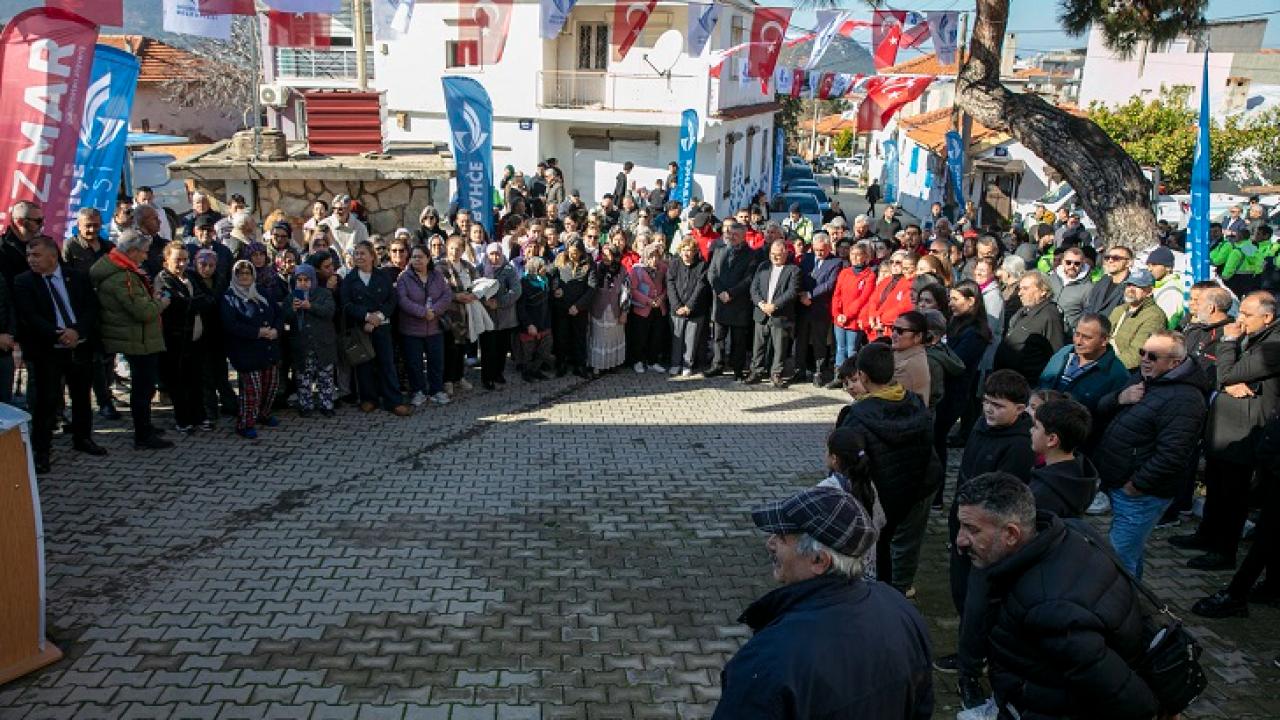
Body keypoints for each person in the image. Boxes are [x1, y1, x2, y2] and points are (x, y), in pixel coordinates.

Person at [712, 485, 934, 720]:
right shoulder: (901, 610)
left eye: (782, 537)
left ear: (819, 561)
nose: (770, 543)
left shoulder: (767, 661)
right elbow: (921, 707)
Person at [953, 473, 1160, 720]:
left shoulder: (1048, 608)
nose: (960, 541)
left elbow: (1118, 690)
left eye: (971, 529)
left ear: (1011, 534)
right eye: (961, 526)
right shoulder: (1072, 532)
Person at [1092, 330, 1208, 577]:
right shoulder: (1143, 378)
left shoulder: (1185, 399)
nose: (1144, 359)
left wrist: (1136, 485)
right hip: (1121, 482)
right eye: (1143, 352)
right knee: (1128, 554)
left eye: (1153, 356)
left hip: (1142, 493)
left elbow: (1173, 454)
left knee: (1117, 558)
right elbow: (1101, 409)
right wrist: (1119, 398)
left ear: (1175, 363)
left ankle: (1124, 609)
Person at [1180, 291, 1279, 570]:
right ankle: (1207, 535)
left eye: (1247, 315)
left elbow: (1226, 374)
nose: (1241, 320)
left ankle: (1224, 551)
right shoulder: (1258, 336)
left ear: (1267, 317)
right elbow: (1227, 376)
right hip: (1227, 423)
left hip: (1246, 428)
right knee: (1216, 485)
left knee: (1233, 495)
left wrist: (1229, 342)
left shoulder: (1272, 344)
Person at [838, 342, 941, 594]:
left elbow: (850, 466)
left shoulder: (856, 416)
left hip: (883, 498)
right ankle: (900, 592)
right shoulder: (915, 403)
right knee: (905, 547)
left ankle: (885, 598)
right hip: (919, 487)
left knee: (881, 551)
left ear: (862, 375)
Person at [12, 236, 106, 472]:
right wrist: (59, 334)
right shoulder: (24, 282)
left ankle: (82, 438)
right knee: (46, 401)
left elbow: (90, 307)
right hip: (47, 350)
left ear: (53, 256)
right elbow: (30, 316)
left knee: (82, 395)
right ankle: (41, 450)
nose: (31, 260)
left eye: (37, 255)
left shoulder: (76, 277)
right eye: (29, 255)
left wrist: (76, 331)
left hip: (79, 346)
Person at [89, 230, 174, 450]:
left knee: (145, 387)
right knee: (142, 389)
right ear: (133, 251)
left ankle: (145, 426)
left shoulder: (125, 271)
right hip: (136, 338)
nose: (146, 256)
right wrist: (162, 302)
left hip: (139, 336)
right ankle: (143, 434)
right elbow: (142, 311)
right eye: (144, 252)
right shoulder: (120, 277)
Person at [62, 208, 120, 419]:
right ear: (79, 225)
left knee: (107, 357)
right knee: (92, 360)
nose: (92, 229)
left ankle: (107, 395)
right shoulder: (71, 246)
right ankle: (100, 401)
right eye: (88, 225)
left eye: (96, 225)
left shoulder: (108, 247)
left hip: (107, 308)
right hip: (83, 311)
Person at [342, 240, 411, 415]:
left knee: (387, 363)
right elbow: (346, 304)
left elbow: (391, 300)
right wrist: (366, 316)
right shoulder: (350, 280)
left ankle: (394, 401)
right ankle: (368, 399)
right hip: (361, 328)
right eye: (356, 254)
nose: (358, 257)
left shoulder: (383, 276)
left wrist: (378, 317)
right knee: (364, 364)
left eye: (362, 253)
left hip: (382, 326)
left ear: (372, 256)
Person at [221, 260, 283, 438]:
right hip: (246, 351)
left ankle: (263, 414)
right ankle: (245, 423)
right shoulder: (229, 297)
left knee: (270, 386)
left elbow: (278, 314)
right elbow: (231, 325)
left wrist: (275, 330)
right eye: (240, 274)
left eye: (248, 273)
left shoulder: (261, 292)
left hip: (269, 348)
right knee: (252, 390)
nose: (244, 277)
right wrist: (257, 332)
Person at [155, 241, 209, 434]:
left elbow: (206, 299)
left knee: (195, 379)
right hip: (175, 338)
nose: (182, 264)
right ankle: (182, 418)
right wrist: (191, 303)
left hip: (195, 336)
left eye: (185, 260)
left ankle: (199, 416)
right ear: (166, 261)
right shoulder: (163, 279)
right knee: (177, 382)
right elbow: (178, 303)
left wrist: (192, 303)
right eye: (177, 260)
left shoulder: (191, 277)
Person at [1038, 313, 1131, 415]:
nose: (1078, 341)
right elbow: (1041, 385)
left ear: (1104, 340)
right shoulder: (1063, 353)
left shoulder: (1118, 375)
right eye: (1077, 334)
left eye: (1086, 337)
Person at [396, 245, 453, 405]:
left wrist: (434, 311)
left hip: (434, 327)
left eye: (420, 256)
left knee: (436, 362)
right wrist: (422, 312)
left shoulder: (438, 276)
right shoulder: (404, 278)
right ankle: (418, 391)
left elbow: (447, 295)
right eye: (414, 257)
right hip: (412, 329)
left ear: (428, 258)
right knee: (415, 363)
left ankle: (436, 390)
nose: (417, 260)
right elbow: (402, 300)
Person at [282, 263, 337, 417]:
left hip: (322, 344)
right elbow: (284, 317)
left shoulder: (323, 294)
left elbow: (329, 311)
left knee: (325, 376)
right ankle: (305, 405)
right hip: (302, 345)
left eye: (307, 280)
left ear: (313, 280)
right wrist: (292, 310)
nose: (303, 283)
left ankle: (326, 404)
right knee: (303, 377)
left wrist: (310, 306)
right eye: (300, 280)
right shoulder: (291, 296)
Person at [1029, 398, 1098, 518]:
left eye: (1036, 427)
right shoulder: (1081, 472)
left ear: (1052, 440)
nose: (1031, 431)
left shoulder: (1042, 495)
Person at [706, 220, 758, 380]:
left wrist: (731, 293)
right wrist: (721, 292)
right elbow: (711, 273)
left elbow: (749, 278)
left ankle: (737, 369)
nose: (732, 237)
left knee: (739, 340)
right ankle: (717, 365)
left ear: (743, 237)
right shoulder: (719, 251)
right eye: (730, 234)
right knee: (718, 338)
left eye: (736, 234)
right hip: (720, 302)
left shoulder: (751, 255)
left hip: (739, 303)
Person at [745, 240, 801, 387]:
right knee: (758, 346)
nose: (775, 257)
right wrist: (761, 304)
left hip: (780, 315)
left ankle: (776, 373)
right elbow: (754, 288)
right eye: (772, 254)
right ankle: (756, 371)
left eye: (778, 254)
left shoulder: (793, 270)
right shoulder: (763, 266)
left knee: (779, 347)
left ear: (785, 253)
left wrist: (774, 306)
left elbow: (792, 292)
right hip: (761, 313)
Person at [994, 271, 1066, 385]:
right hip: (1007, 380)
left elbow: (1056, 354)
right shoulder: (1023, 311)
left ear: (1043, 291)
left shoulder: (1050, 315)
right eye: (1020, 288)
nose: (1020, 293)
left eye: (1025, 289)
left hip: (1026, 384)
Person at [795, 233, 841, 387]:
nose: (819, 253)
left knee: (819, 342)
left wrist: (810, 295)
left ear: (829, 247)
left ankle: (819, 372)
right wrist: (802, 294)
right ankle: (799, 370)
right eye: (816, 250)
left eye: (822, 250)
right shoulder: (807, 258)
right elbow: (799, 277)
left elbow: (829, 284)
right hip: (803, 306)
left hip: (819, 308)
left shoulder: (836, 262)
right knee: (801, 340)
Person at [477, 242, 522, 389]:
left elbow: (516, 290)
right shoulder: (480, 269)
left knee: (502, 347)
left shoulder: (509, 269)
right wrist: (486, 301)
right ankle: (487, 377)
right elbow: (474, 288)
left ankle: (498, 373)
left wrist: (500, 302)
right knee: (488, 348)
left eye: (497, 254)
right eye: (491, 254)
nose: (495, 257)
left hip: (504, 317)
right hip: (486, 315)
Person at [830, 241, 876, 378]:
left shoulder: (869, 275)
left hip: (854, 319)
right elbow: (836, 294)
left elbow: (863, 299)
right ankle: (838, 376)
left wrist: (847, 315)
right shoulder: (844, 273)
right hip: (840, 318)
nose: (855, 258)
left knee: (852, 349)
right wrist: (837, 313)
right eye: (853, 255)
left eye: (858, 255)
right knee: (840, 348)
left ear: (866, 257)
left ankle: (852, 376)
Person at [438, 235, 477, 393]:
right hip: (449, 313)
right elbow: (441, 288)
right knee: (450, 346)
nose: (455, 252)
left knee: (462, 346)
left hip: (466, 312)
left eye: (458, 249)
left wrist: (474, 294)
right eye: (452, 248)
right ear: (447, 248)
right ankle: (447, 380)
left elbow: (476, 282)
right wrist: (456, 296)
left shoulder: (467, 266)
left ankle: (459, 377)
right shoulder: (440, 266)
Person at [666, 237, 710, 377]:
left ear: (695, 252)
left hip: (695, 310)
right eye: (684, 250)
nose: (686, 253)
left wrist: (689, 306)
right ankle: (675, 364)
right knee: (677, 338)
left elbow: (700, 287)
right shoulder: (674, 264)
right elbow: (670, 285)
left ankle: (687, 365)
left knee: (691, 339)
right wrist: (677, 305)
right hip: (676, 309)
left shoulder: (702, 266)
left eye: (689, 250)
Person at [550, 238, 594, 378]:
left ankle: (579, 365)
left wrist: (579, 306)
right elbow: (551, 277)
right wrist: (555, 288)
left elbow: (592, 288)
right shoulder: (559, 261)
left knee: (579, 337)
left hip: (579, 308)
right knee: (561, 337)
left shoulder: (589, 264)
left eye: (576, 252)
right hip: (562, 307)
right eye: (570, 252)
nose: (573, 255)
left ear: (581, 251)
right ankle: (561, 364)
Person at [1108, 269, 1167, 370]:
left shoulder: (1154, 317)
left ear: (1149, 291)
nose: (1131, 289)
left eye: (1138, 286)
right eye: (1129, 284)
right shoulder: (1119, 309)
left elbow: (1137, 355)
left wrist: (1109, 368)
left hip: (1125, 372)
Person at [625, 242, 668, 373]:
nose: (654, 260)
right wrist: (648, 301)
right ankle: (637, 361)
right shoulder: (637, 270)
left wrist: (661, 297)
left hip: (659, 307)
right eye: (651, 257)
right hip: (642, 308)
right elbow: (632, 289)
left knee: (656, 335)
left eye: (656, 256)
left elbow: (667, 286)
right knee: (640, 336)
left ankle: (652, 361)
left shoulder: (663, 268)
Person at [586, 244, 628, 375]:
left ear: (615, 256)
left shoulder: (622, 270)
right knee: (598, 338)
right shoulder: (596, 267)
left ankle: (612, 364)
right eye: (603, 254)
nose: (605, 257)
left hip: (615, 310)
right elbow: (590, 289)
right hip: (598, 310)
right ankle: (597, 365)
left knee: (613, 338)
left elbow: (626, 292)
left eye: (608, 254)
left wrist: (624, 312)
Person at [890, 310, 932, 404]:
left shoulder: (908, 365)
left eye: (900, 331)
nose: (893, 335)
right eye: (893, 329)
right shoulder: (903, 355)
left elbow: (885, 399)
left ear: (918, 336)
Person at [1048, 246, 1093, 333]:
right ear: (1062, 262)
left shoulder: (1088, 287)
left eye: (1077, 263)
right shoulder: (1051, 278)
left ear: (1082, 264)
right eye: (1068, 262)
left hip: (1067, 334)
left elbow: (1088, 315)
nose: (1072, 266)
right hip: (1046, 326)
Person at [1082, 244, 1132, 317]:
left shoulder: (1132, 287)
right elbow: (1089, 306)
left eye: (1116, 258)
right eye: (1107, 258)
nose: (1110, 261)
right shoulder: (1103, 281)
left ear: (1128, 263)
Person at [1146, 246, 1185, 329]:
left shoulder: (1172, 291)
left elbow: (1167, 324)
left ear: (1168, 267)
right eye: (1148, 265)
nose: (1150, 269)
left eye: (1154, 265)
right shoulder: (1159, 285)